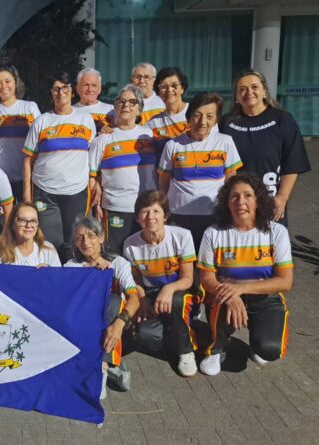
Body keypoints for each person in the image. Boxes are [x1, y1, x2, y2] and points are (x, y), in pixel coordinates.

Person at [197, 174, 294, 376]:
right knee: (218, 301)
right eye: (234, 196)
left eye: (248, 195)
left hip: (265, 299)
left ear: (258, 200)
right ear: (226, 202)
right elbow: (206, 280)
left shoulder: (276, 231)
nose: (241, 202)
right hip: (225, 297)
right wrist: (233, 296)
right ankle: (218, 348)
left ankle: (257, 341)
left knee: (269, 350)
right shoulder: (213, 233)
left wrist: (241, 288)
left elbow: (285, 281)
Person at [122, 191, 198, 377]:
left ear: (165, 216)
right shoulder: (130, 244)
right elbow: (136, 280)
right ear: (138, 218)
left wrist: (168, 289)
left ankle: (186, 351)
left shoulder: (182, 236)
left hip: (180, 290)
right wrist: (141, 299)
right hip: (151, 294)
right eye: (144, 211)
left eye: (156, 211)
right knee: (145, 334)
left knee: (177, 302)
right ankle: (178, 330)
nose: (150, 217)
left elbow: (188, 278)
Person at [221, 68, 311, 225]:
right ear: (236, 96)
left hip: (270, 204)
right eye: (242, 89)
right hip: (237, 206)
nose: (249, 92)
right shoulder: (226, 124)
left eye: (254, 87)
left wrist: (281, 198)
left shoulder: (283, 120)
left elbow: (292, 163)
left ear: (264, 90)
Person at [64, 217, 140, 399]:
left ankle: (102, 369)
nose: (85, 242)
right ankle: (109, 366)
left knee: (113, 300)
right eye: (80, 238)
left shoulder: (118, 263)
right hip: (84, 326)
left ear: (101, 237)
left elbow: (134, 299)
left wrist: (119, 324)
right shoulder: (71, 266)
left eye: (91, 236)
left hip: (115, 326)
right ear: (75, 242)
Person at [23, 72, 96, 260]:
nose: (60, 92)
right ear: (51, 93)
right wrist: (27, 197)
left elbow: (93, 156)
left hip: (77, 191)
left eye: (65, 88)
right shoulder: (42, 121)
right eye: (56, 89)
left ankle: (73, 274)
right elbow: (28, 160)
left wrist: (95, 182)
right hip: (45, 192)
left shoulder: (86, 120)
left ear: (72, 91)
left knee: (76, 241)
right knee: (50, 243)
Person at [158, 93, 242, 252]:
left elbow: (231, 181)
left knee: (209, 261)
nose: (203, 122)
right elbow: (164, 180)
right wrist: (164, 211)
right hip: (179, 216)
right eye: (197, 115)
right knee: (183, 260)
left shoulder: (225, 142)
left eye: (209, 116)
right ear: (188, 117)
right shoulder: (173, 145)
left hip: (214, 215)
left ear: (216, 119)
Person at [88, 84, 157, 254]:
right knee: (114, 255)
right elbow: (92, 176)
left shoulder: (150, 136)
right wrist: (96, 205)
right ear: (115, 106)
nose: (126, 105)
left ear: (139, 109)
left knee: (144, 255)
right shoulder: (102, 139)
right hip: (115, 208)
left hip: (147, 208)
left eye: (132, 102)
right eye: (121, 101)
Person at [0, 64, 41, 200]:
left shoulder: (29, 108)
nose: (4, 86)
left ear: (16, 83)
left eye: (7, 81)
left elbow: (41, 137)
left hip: (24, 178)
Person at [0, 202, 61, 267]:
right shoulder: (1, 251)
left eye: (33, 221)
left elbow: (58, 277)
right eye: (22, 220)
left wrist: (49, 272)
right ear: (12, 224)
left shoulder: (48, 249)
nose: (28, 225)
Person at [147, 67, 190, 141]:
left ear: (182, 88)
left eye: (174, 85)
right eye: (163, 86)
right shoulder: (153, 123)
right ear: (158, 91)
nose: (169, 90)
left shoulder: (196, 113)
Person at [73, 67, 114, 132]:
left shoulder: (111, 110)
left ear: (99, 89)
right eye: (86, 85)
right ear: (77, 88)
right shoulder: (70, 111)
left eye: (94, 85)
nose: (90, 89)